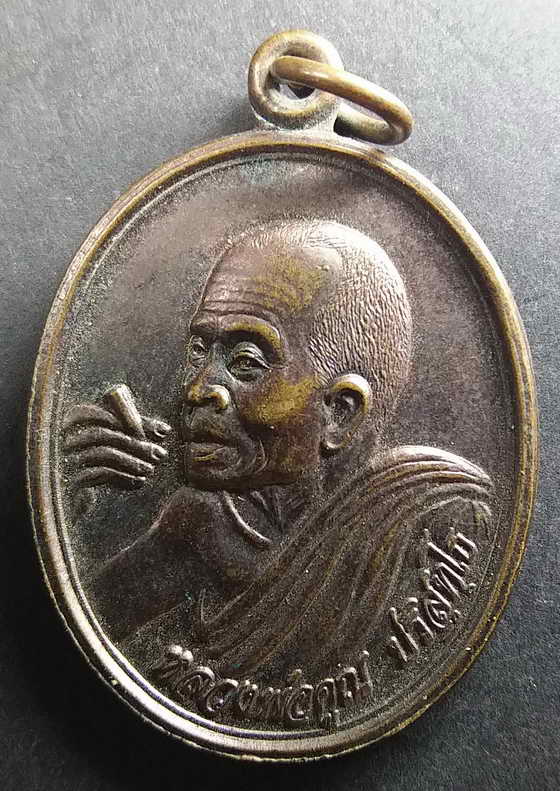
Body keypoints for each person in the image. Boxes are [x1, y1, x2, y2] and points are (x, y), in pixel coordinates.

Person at [64, 220, 493, 680]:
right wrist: (64, 505)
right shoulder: (202, 523)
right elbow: (76, 643)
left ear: (339, 413)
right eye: (200, 351)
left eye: (246, 363)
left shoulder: (436, 520)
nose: (197, 389)